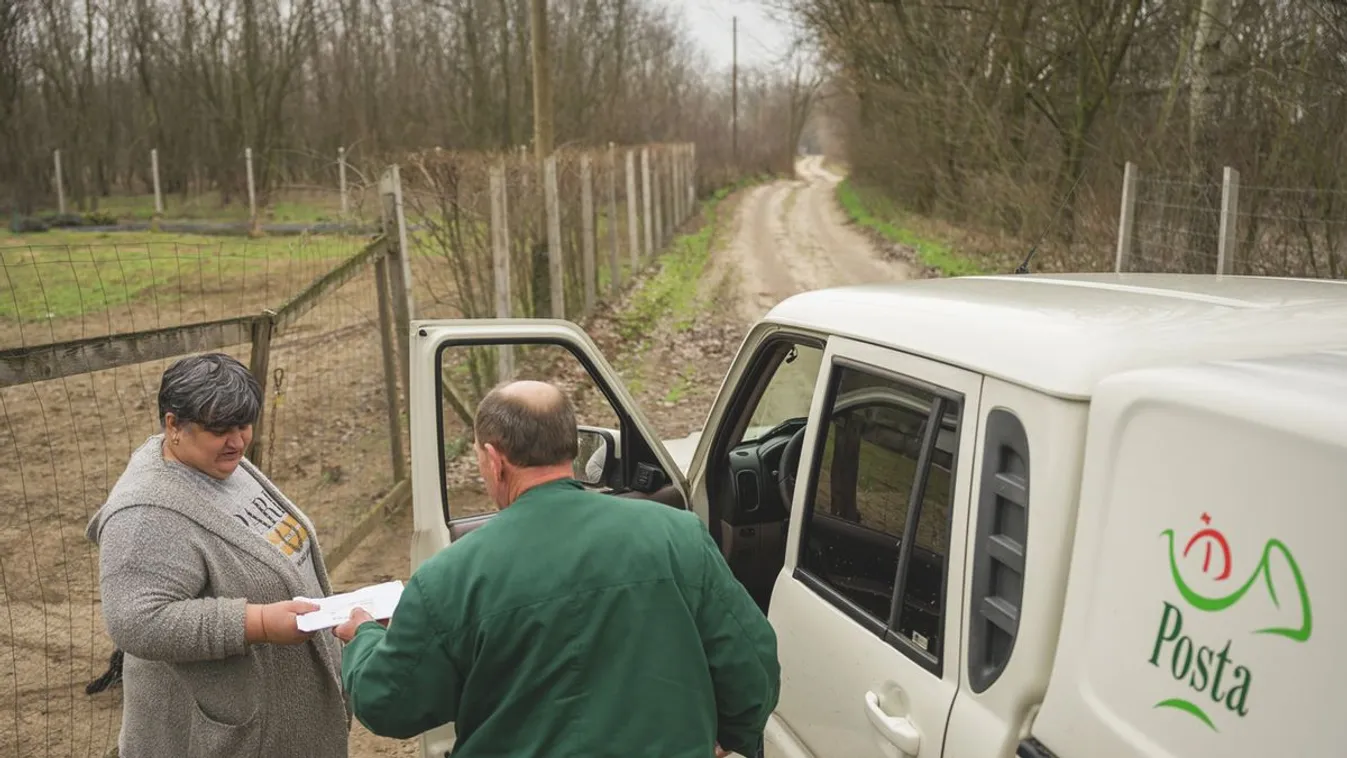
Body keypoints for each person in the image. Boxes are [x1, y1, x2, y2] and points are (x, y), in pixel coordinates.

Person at [336, 379, 780, 757]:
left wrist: (365, 638)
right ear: (572, 446)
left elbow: (387, 703)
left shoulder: (449, 578)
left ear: (494, 460)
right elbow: (754, 664)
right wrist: (724, 736)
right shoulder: (679, 535)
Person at [85, 353, 348, 757]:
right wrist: (257, 622)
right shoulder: (144, 514)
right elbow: (135, 620)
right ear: (174, 425)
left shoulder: (218, 464)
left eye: (244, 425)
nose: (239, 441)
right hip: (219, 740)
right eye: (220, 429)